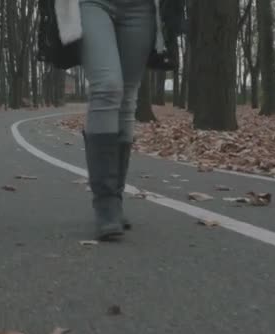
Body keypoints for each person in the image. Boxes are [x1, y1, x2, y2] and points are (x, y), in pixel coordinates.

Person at [56, 0, 184, 241]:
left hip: (141, 8)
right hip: (91, 4)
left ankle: (115, 199)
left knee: (127, 97)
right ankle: (104, 204)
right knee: (107, 87)